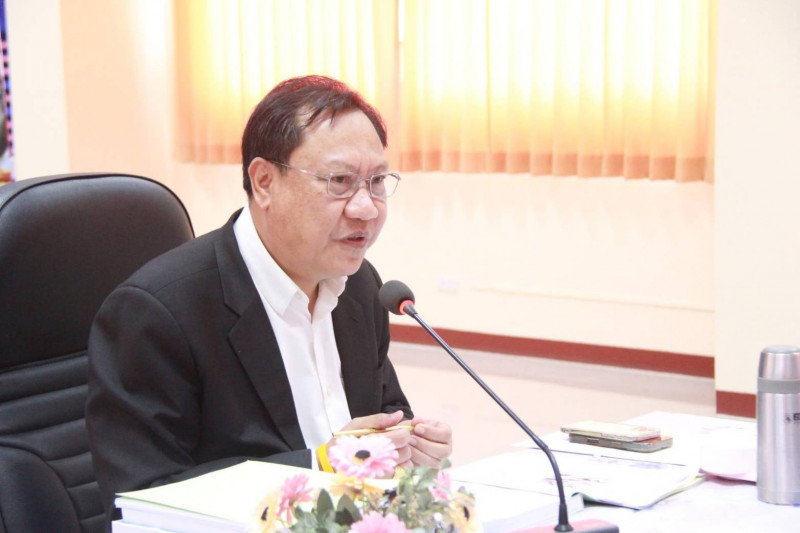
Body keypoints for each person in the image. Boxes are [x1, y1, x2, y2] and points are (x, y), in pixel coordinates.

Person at [85, 75, 452, 525]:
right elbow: (144, 498)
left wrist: (409, 444)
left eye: (377, 181)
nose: (366, 208)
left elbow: (385, 415)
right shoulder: (157, 313)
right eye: (339, 181)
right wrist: (321, 465)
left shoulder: (359, 287)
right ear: (263, 182)